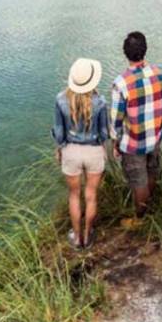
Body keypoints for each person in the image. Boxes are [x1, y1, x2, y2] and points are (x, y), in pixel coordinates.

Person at [110, 31, 162, 229]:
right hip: (156, 135)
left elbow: (116, 120)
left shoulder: (121, 83)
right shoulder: (161, 75)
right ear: (145, 50)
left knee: (139, 181)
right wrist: (158, 127)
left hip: (134, 142)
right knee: (152, 172)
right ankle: (150, 207)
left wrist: (115, 142)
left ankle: (141, 219)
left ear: (125, 53)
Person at [53, 57, 110, 248]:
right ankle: (88, 236)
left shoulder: (61, 99)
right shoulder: (100, 101)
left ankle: (77, 239)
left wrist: (60, 148)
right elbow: (104, 133)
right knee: (91, 195)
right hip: (93, 151)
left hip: (71, 152)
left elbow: (59, 132)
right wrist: (103, 147)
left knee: (74, 195)